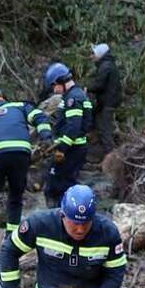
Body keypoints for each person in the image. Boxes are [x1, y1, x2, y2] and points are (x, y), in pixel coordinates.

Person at [0, 94, 51, 250]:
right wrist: (46, 138)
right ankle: (11, 239)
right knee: (15, 197)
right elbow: (40, 117)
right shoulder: (18, 106)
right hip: (21, 153)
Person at [42, 63, 90, 208]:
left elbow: (73, 128)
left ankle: (62, 218)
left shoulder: (73, 98)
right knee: (60, 183)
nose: (54, 89)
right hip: (72, 148)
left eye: (54, 85)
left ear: (61, 82)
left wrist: (61, 148)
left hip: (71, 149)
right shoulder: (72, 96)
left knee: (57, 185)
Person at [85, 44, 123, 156]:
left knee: (107, 131)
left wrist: (87, 88)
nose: (92, 56)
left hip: (108, 103)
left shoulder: (106, 67)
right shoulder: (107, 65)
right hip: (105, 102)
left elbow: (100, 85)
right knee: (96, 119)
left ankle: (111, 157)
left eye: (94, 53)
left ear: (100, 54)